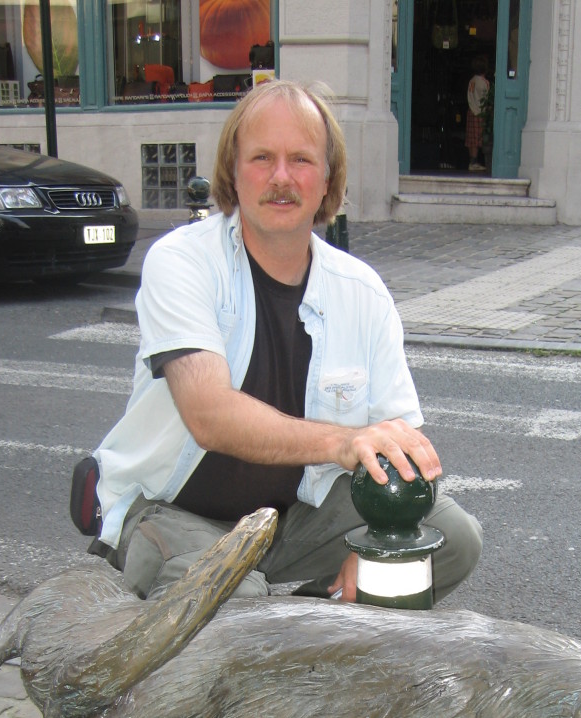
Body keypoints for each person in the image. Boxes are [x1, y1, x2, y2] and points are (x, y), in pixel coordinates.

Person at [91, 78, 482, 603]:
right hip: (172, 511)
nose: (281, 178)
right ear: (233, 170)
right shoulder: (182, 261)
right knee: (239, 602)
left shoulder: (361, 292)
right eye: (261, 158)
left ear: (327, 179)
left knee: (447, 540)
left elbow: (404, 448)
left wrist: (377, 545)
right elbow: (208, 414)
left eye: (300, 159)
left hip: (294, 517)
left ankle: (311, 630)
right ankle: (262, 642)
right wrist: (341, 441)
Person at [465, 55, 490, 172]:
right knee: (479, 138)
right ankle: (475, 162)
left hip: (471, 111)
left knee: (471, 139)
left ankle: (472, 160)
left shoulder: (471, 81)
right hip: (480, 113)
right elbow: (486, 99)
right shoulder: (484, 83)